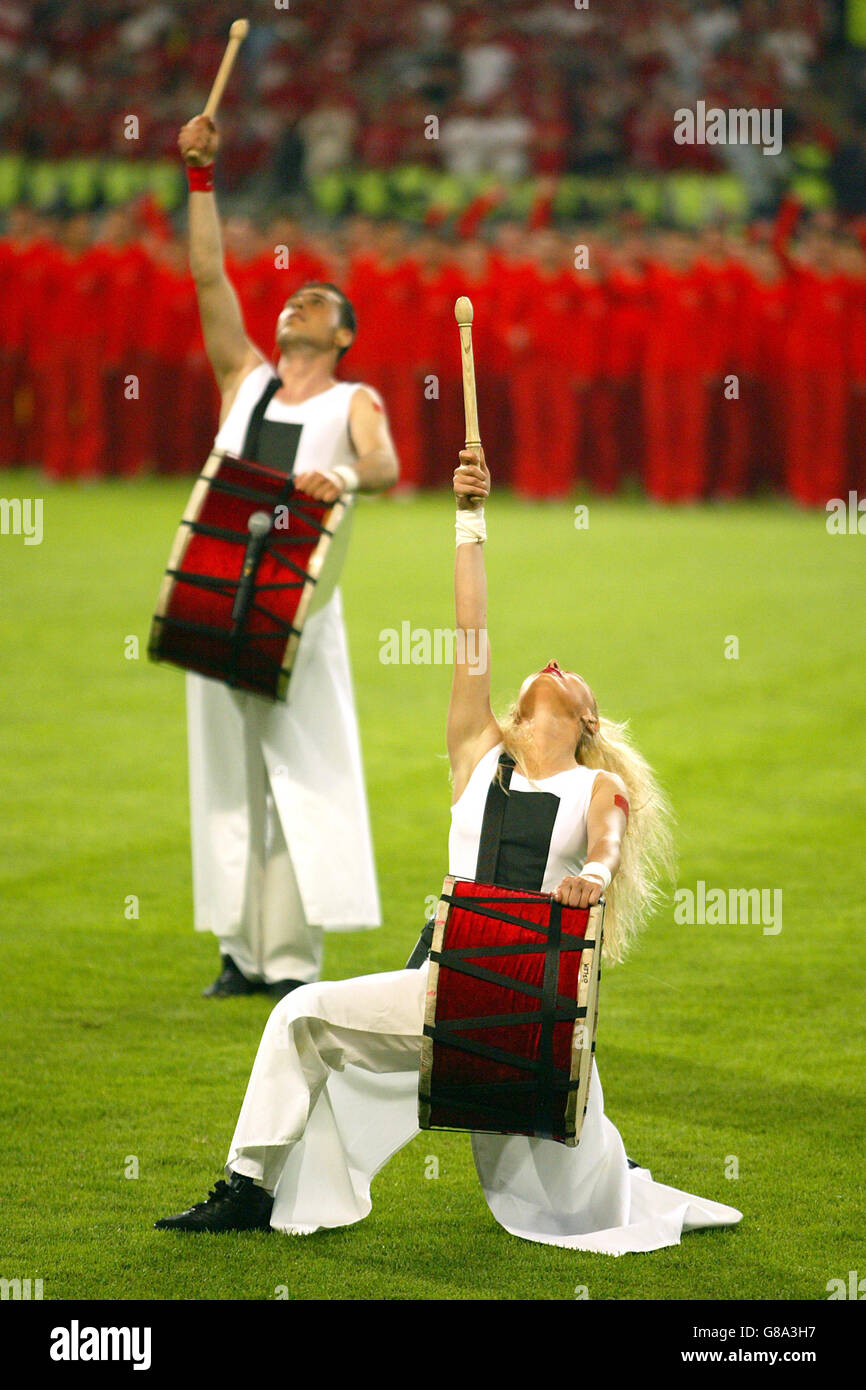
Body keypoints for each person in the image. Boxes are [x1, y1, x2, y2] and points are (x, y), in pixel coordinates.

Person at [155, 445, 743, 1254]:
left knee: (579, 1160)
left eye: (574, 677)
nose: (555, 665)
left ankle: (605, 1159)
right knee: (302, 1016)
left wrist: (596, 878)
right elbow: (471, 627)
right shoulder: (476, 752)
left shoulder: (595, 788)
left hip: (529, 999)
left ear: (590, 721)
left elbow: (606, 846)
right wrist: (470, 514)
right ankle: (248, 1190)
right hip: (443, 984)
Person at [177, 113, 399, 998]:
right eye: (292, 298)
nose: (296, 302)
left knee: (301, 772)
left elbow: (383, 464)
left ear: (343, 336)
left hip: (298, 600)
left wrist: (341, 476)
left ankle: (295, 961)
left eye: (318, 301)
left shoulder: (354, 399)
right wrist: (200, 177)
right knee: (227, 777)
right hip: (216, 581)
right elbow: (205, 273)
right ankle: (238, 951)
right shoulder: (246, 377)